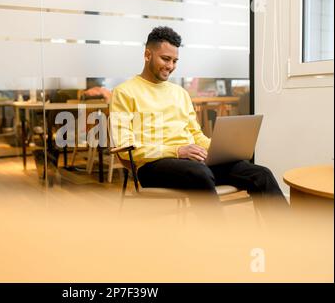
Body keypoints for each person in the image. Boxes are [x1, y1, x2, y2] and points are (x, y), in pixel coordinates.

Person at [110, 26, 286, 203]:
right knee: (200, 173)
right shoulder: (124, 92)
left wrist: (221, 149)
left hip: (192, 163)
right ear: (147, 55)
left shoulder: (180, 93)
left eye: (175, 61)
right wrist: (177, 151)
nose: (170, 66)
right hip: (151, 167)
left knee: (260, 173)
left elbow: (196, 135)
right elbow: (125, 149)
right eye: (165, 59)